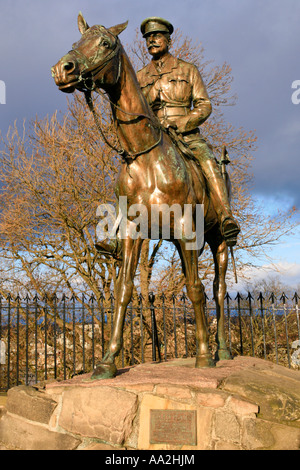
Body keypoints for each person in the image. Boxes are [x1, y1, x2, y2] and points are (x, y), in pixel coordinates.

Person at [137, 17, 240, 247]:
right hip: (154, 138)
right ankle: (119, 232)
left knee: (207, 159)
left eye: (157, 36)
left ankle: (225, 216)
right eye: (148, 37)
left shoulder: (187, 69)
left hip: (185, 134)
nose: (152, 40)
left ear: (168, 40)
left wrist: (182, 123)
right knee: (129, 168)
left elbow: (204, 105)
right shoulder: (140, 76)